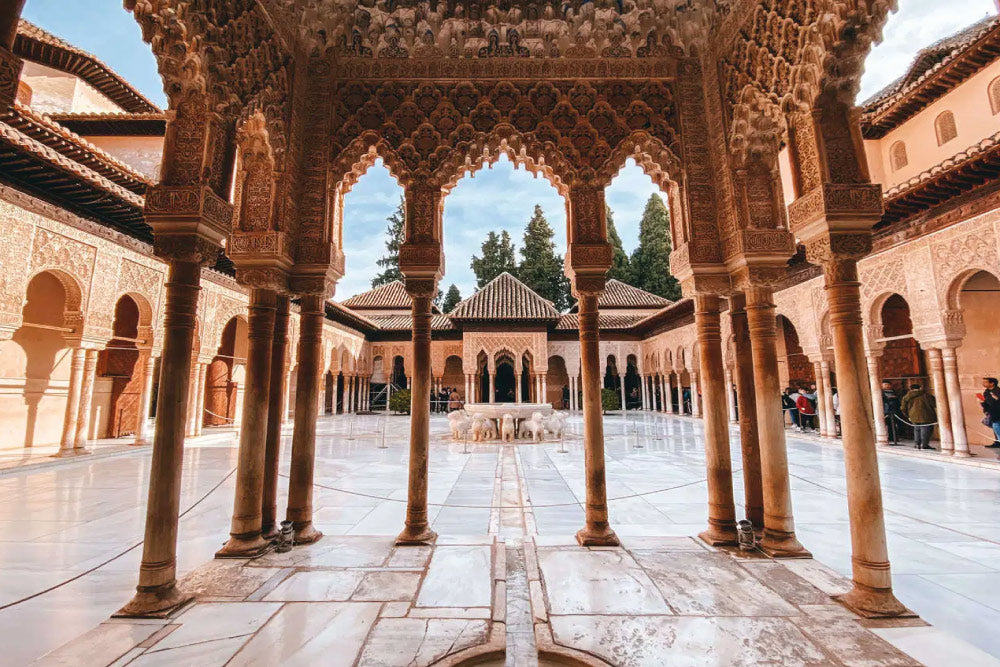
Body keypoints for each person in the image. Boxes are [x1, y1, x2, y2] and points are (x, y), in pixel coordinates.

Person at [900, 383, 936, 450]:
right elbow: (934, 404)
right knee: (926, 430)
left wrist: (908, 416)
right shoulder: (927, 395)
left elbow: (903, 408)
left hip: (913, 416)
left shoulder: (906, 397)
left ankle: (917, 444)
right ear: (920, 388)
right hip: (927, 415)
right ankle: (924, 444)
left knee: (917, 429)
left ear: (910, 389)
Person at [978, 377, 1000, 448]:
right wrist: (982, 403)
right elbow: (986, 403)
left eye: (985, 382)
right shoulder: (986, 392)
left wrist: (997, 399)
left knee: (996, 426)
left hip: (998, 412)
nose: (983, 383)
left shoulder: (998, 391)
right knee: (995, 427)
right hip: (992, 412)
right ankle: (997, 442)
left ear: (992, 383)